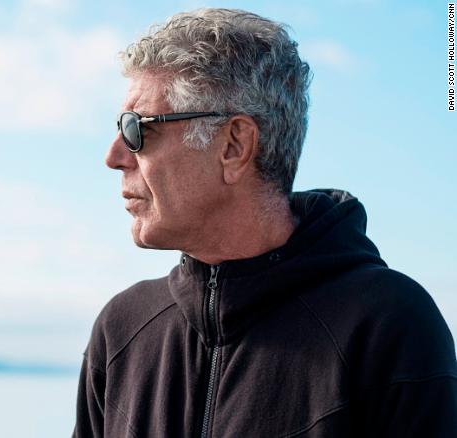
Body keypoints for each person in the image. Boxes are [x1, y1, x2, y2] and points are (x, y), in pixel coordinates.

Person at [72, 8, 457, 438]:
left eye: (136, 129)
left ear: (235, 145)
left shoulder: (388, 326)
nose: (114, 156)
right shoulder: (122, 328)